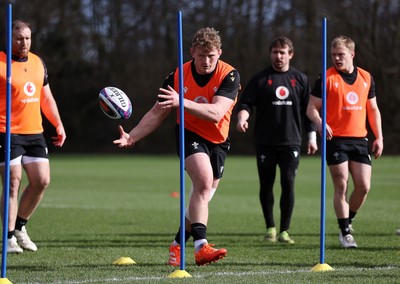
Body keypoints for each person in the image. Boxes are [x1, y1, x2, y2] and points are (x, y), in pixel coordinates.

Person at [113, 27, 240, 266]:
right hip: (188, 133)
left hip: (219, 140)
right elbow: (157, 113)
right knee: (202, 182)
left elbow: (216, 113)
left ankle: (178, 244)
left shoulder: (229, 75)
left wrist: (181, 101)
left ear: (219, 53)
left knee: (202, 197)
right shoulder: (177, 76)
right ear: (192, 52)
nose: (206, 61)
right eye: (201, 55)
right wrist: (133, 136)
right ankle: (201, 247)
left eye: (211, 55)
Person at [236, 37, 317, 244]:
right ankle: (270, 227)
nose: (278, 56)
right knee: (266, 185)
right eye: (275, 52)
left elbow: (309, 111)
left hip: (291, 142)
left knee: (288, 183)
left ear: (291, 54)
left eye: (282, 52)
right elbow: (246, 104)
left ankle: (285, 231)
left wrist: (312, 137)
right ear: (270, 54)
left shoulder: (300, 79)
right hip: (265, 142)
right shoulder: (260, 79)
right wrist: (243, 118)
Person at [307, 35, 383, 248]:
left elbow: (373, 109)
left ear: (352, 54)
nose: (336, 59)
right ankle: (345, 233)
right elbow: (311, 108)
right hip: (336, 139)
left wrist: (379, 137)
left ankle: (347, 220)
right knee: (341, 184)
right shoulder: (326, 78)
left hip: (360, 140)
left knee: (364, 186)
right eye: (333, 55)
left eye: (341, 54)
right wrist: (320, 123)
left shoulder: (366, 77)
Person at [0, 20, 66, 253]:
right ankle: (7, 239)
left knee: (41, 181)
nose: (24, 42)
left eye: (28, 38)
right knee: (13, 182)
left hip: (34, 132)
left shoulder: (38, 63)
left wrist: (57, 123)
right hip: (6, 132)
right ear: (10, 39)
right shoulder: (0, 63)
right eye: (19, 38)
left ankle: (19, 227)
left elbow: (46, 98)